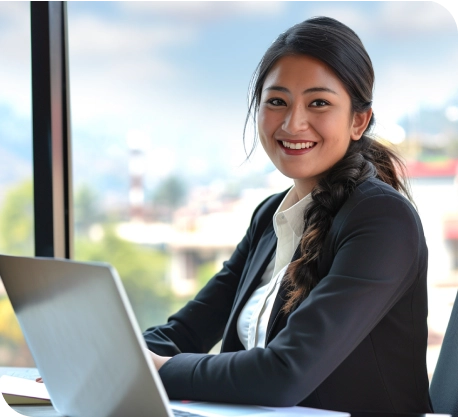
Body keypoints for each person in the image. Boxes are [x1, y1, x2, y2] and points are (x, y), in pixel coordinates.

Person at [143, 16, 433, 414]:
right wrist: (110, 357)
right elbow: (187, 331)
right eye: (276, 101)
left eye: (319, 103)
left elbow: (286, 374)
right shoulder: (269, 217)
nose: (293, 123)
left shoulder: (383, 220)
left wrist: (160, 370)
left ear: (358, 121)